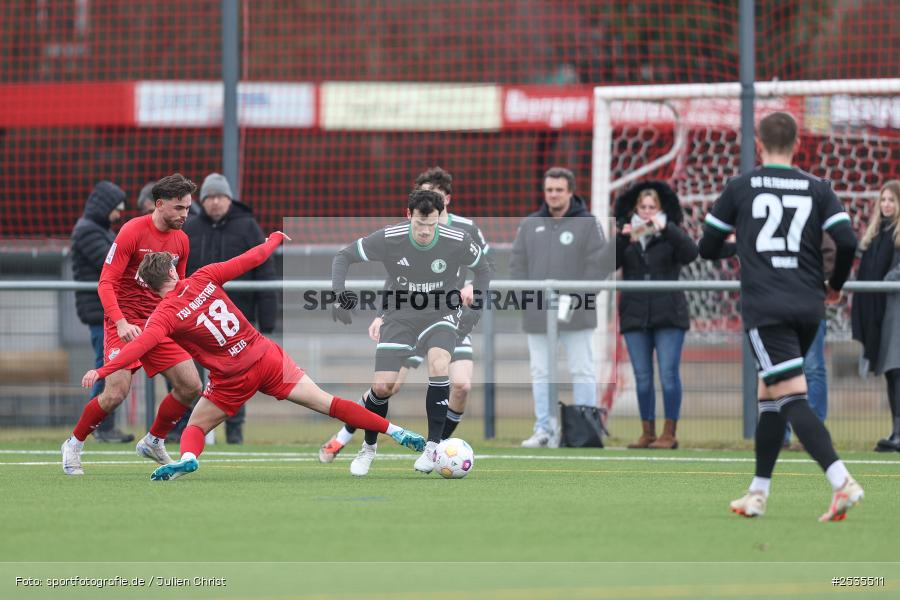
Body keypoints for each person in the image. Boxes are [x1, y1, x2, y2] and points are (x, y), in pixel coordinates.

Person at [81, 233, 425, 481]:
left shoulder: (163, 315)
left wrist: (104, 368)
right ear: (172, 272)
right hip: (265, 357)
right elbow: (249, 260)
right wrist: (273, 240)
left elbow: (138, 347)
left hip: (231, 378)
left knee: (197, 426)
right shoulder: (204, 277)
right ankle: (394, 430)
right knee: (330, 403)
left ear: (151, 286)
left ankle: (187, 458)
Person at [699, 111, 863, 521]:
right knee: (769, 397)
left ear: (758, 142)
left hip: (768, 308)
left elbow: (706, 246)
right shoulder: (816, 187)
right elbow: (846, 240)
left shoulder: (741, 186)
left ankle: (842, 481)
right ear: (797, 145)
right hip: (808, 307)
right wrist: (837, 284)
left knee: (790, 397)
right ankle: (757, 493)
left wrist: (741, 248)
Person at [319, 167, 493, 462]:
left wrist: (473, 301)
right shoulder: (395, 236)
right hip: (404, 314)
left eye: (435, 200)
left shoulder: (465, 231)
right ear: (410, 212)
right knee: (386, 386)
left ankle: (437, 449)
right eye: (419, 217)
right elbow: (395, 275)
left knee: (460, 384)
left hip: (447, 314)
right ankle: (346, 436)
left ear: (445, 202)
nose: (425, 228)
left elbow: (486, 267)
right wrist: (377, 311)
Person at [61, 174, 203, 476]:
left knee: (191, 386)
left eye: (188, 208)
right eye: (179, 208)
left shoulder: (182, 240)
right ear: (159, 204)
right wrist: (121, 322)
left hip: (158, 323)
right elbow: (105, 282)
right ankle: (73, 443)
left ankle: (154, 440)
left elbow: (177, 288)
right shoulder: (131, 231)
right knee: (115, 393)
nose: (184, 215)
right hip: (123, 323)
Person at [509, 167, 611, 448]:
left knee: (582, 369)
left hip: (577, 315)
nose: (553, 195)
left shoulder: (588, 224)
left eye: (559, 190)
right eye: (549, 190)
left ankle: (587, 430)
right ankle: (544, 430)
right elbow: (517, 267)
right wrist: (528, 301)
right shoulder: (530, 224)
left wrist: (575, 299)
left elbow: (598, 268)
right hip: (538, 316)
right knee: (541, 372)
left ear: (570, 192)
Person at [175, 172, 278, 445]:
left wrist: (267, 320)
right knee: (191, 375)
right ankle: (191, 429)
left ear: (229, 199)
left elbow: (265, 272)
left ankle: (235, 430)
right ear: (203, 201)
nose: (215, 202)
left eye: (220, 197)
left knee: (237, 377)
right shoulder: (191, 228)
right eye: (210, 197)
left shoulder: (247, 227)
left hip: (237, 322)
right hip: (195, 322)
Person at [614, 181, 698, 449]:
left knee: (669, 374)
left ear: (660, 209)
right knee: (642, 376)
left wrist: (669, 230)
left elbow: (690, 253)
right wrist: (622, 238)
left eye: (652, 207)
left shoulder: (670, 233)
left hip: (669, 315)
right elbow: (607, 263)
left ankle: (669, 433)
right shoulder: (627, 235)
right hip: (635, 315)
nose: (647, 212)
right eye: (643, 207)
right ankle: (647, 432)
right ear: (635, 208)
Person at [70, 181, 135, 444]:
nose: (118, 214)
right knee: (105, 369)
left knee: (108, 367)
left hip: (107, 312)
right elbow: (111, 263)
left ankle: (102, 426)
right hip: (101, 313)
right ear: (105, 207)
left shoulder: (98, 230)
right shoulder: (88, 231)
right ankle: (100, 426)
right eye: (116, 208)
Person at [851, 180, 900, 452]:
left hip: (897, 311)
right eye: (883, 200)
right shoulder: (876, 235)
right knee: (891, 374)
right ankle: (896, 431)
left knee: (897, 371)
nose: (886, 205)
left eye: (892, 200)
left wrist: (890, 279)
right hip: (882, 313)